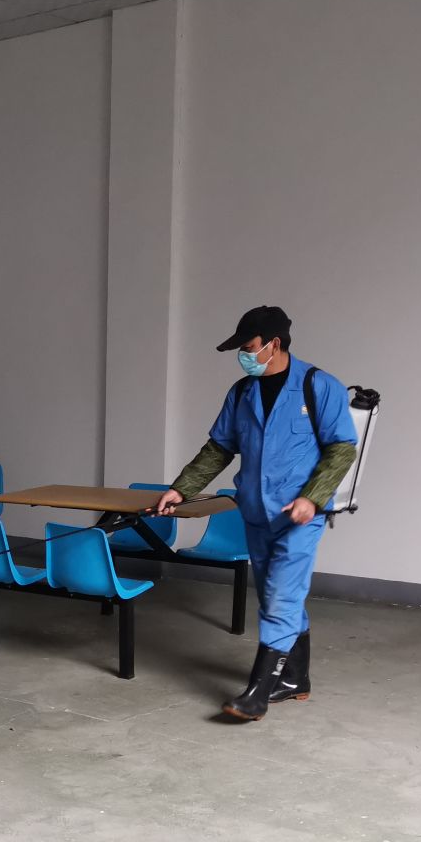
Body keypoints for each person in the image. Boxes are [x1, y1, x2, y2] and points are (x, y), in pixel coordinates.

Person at [156, 305, 358, 721]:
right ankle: (295, 679)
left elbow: (342, 448)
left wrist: (312, 498)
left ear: (273, 344)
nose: (244, 356)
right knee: (276, 593)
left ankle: (257, 693)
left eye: (248, 347)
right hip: (256, 512)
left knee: (281, 596)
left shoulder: (319, 386)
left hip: (300, 515)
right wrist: (180, 488)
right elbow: (219, 448)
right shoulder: (242, 392)